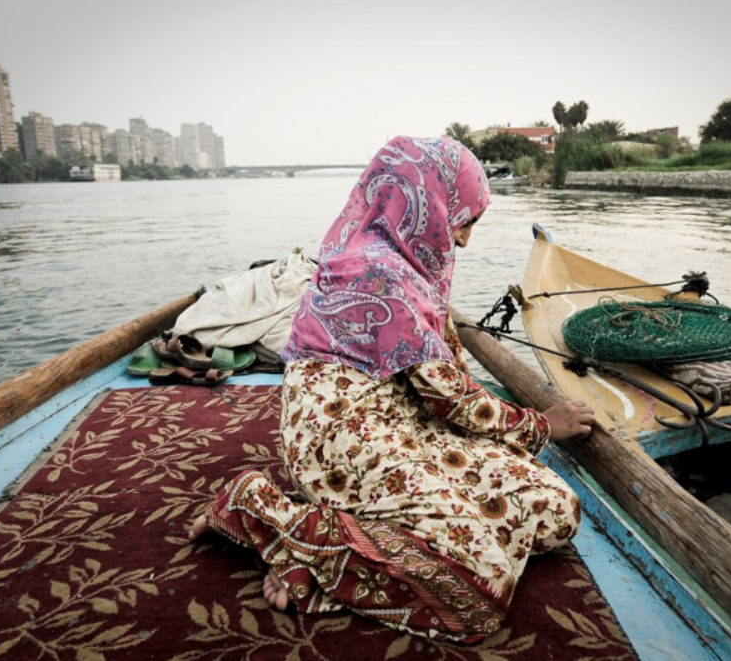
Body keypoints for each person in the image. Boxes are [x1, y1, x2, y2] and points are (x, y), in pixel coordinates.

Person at [189, 136, 594, 643]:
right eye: (462, 219)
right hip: (341, 440)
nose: (464, 239)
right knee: (479, 591)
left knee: (556, 509)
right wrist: (543, 424)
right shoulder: (377, 270)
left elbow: (440, 387)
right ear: (425, 206)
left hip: (406, 424)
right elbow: (449, 396)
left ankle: (320, 550)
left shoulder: (407, 263)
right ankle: (262, 511)